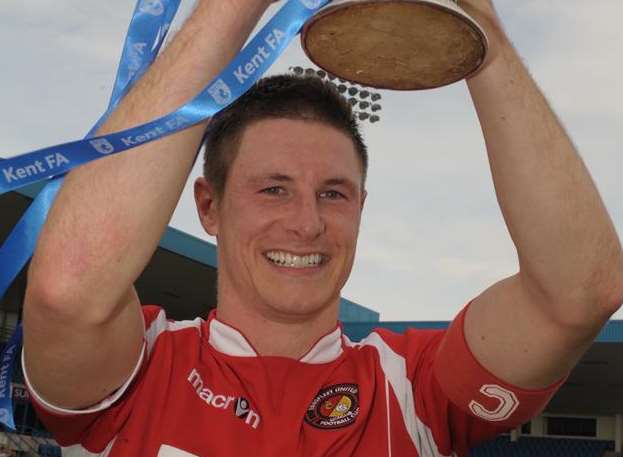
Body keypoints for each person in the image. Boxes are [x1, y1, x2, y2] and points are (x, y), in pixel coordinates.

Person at [21, 0, 623, 456]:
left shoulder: (414, 387)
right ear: (209, 206)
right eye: (273, 189)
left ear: (361, 206)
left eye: (333, 194)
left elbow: (579, 290)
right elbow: (67, 287)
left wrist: (477, 26)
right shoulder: (138, 369)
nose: (307, 223)